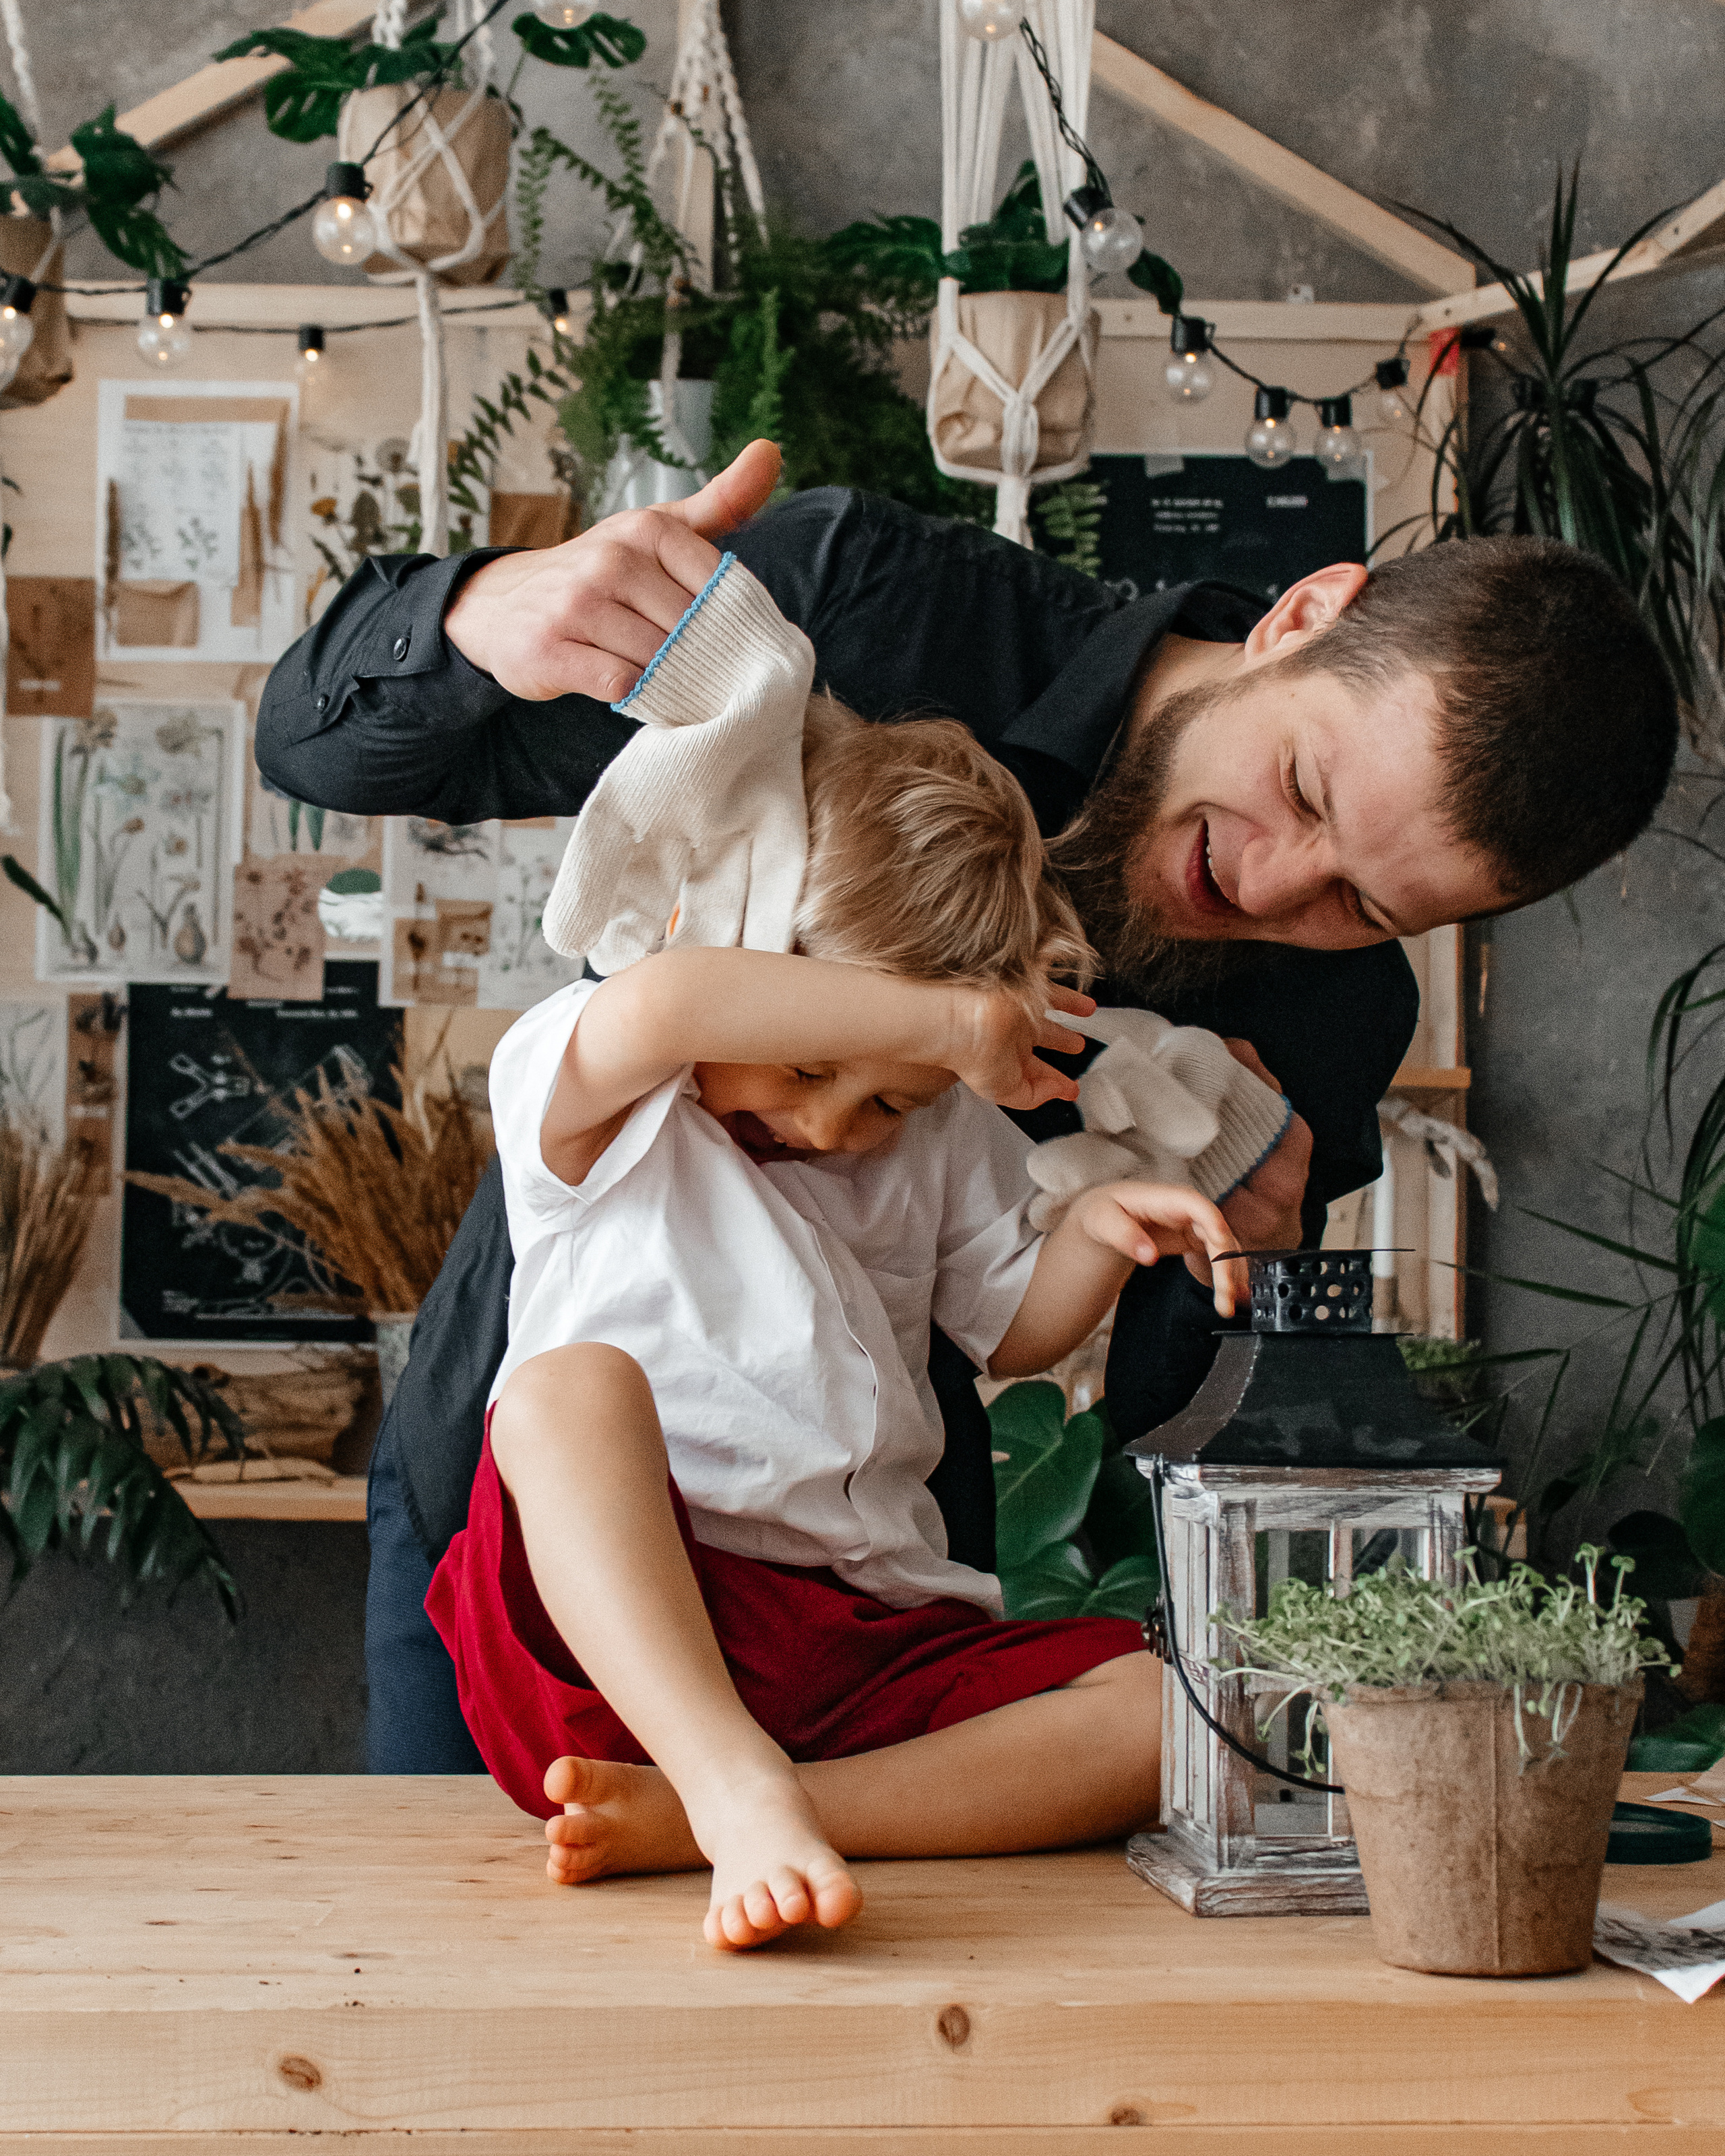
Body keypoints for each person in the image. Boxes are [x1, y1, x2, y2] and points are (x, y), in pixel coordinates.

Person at [254, 439, 1681, 1775]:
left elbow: (1139, 1412)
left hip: (861, 1587)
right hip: (528, 1515)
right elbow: (316, 748)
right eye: (1298, 786)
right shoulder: (868, 613)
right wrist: (495, 611)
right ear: (1302, 613)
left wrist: (1233, 1269)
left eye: (1355, 902)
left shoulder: (1333, 1012)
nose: (1264, 884)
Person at [430, 565, 1244, 1944]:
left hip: (860, 1640)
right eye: (810, 1063)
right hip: (621, 1643)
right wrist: (937, 1036)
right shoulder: (606, 1100)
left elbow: (1010, 1332)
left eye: (884, 1103)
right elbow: (670, 999)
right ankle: (720, 1768)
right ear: (748, 954)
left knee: (1177, 1720)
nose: (829, 1122)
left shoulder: (930, 1141)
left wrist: (1099, 1234)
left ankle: (732, 1808)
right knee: (564, 1393)